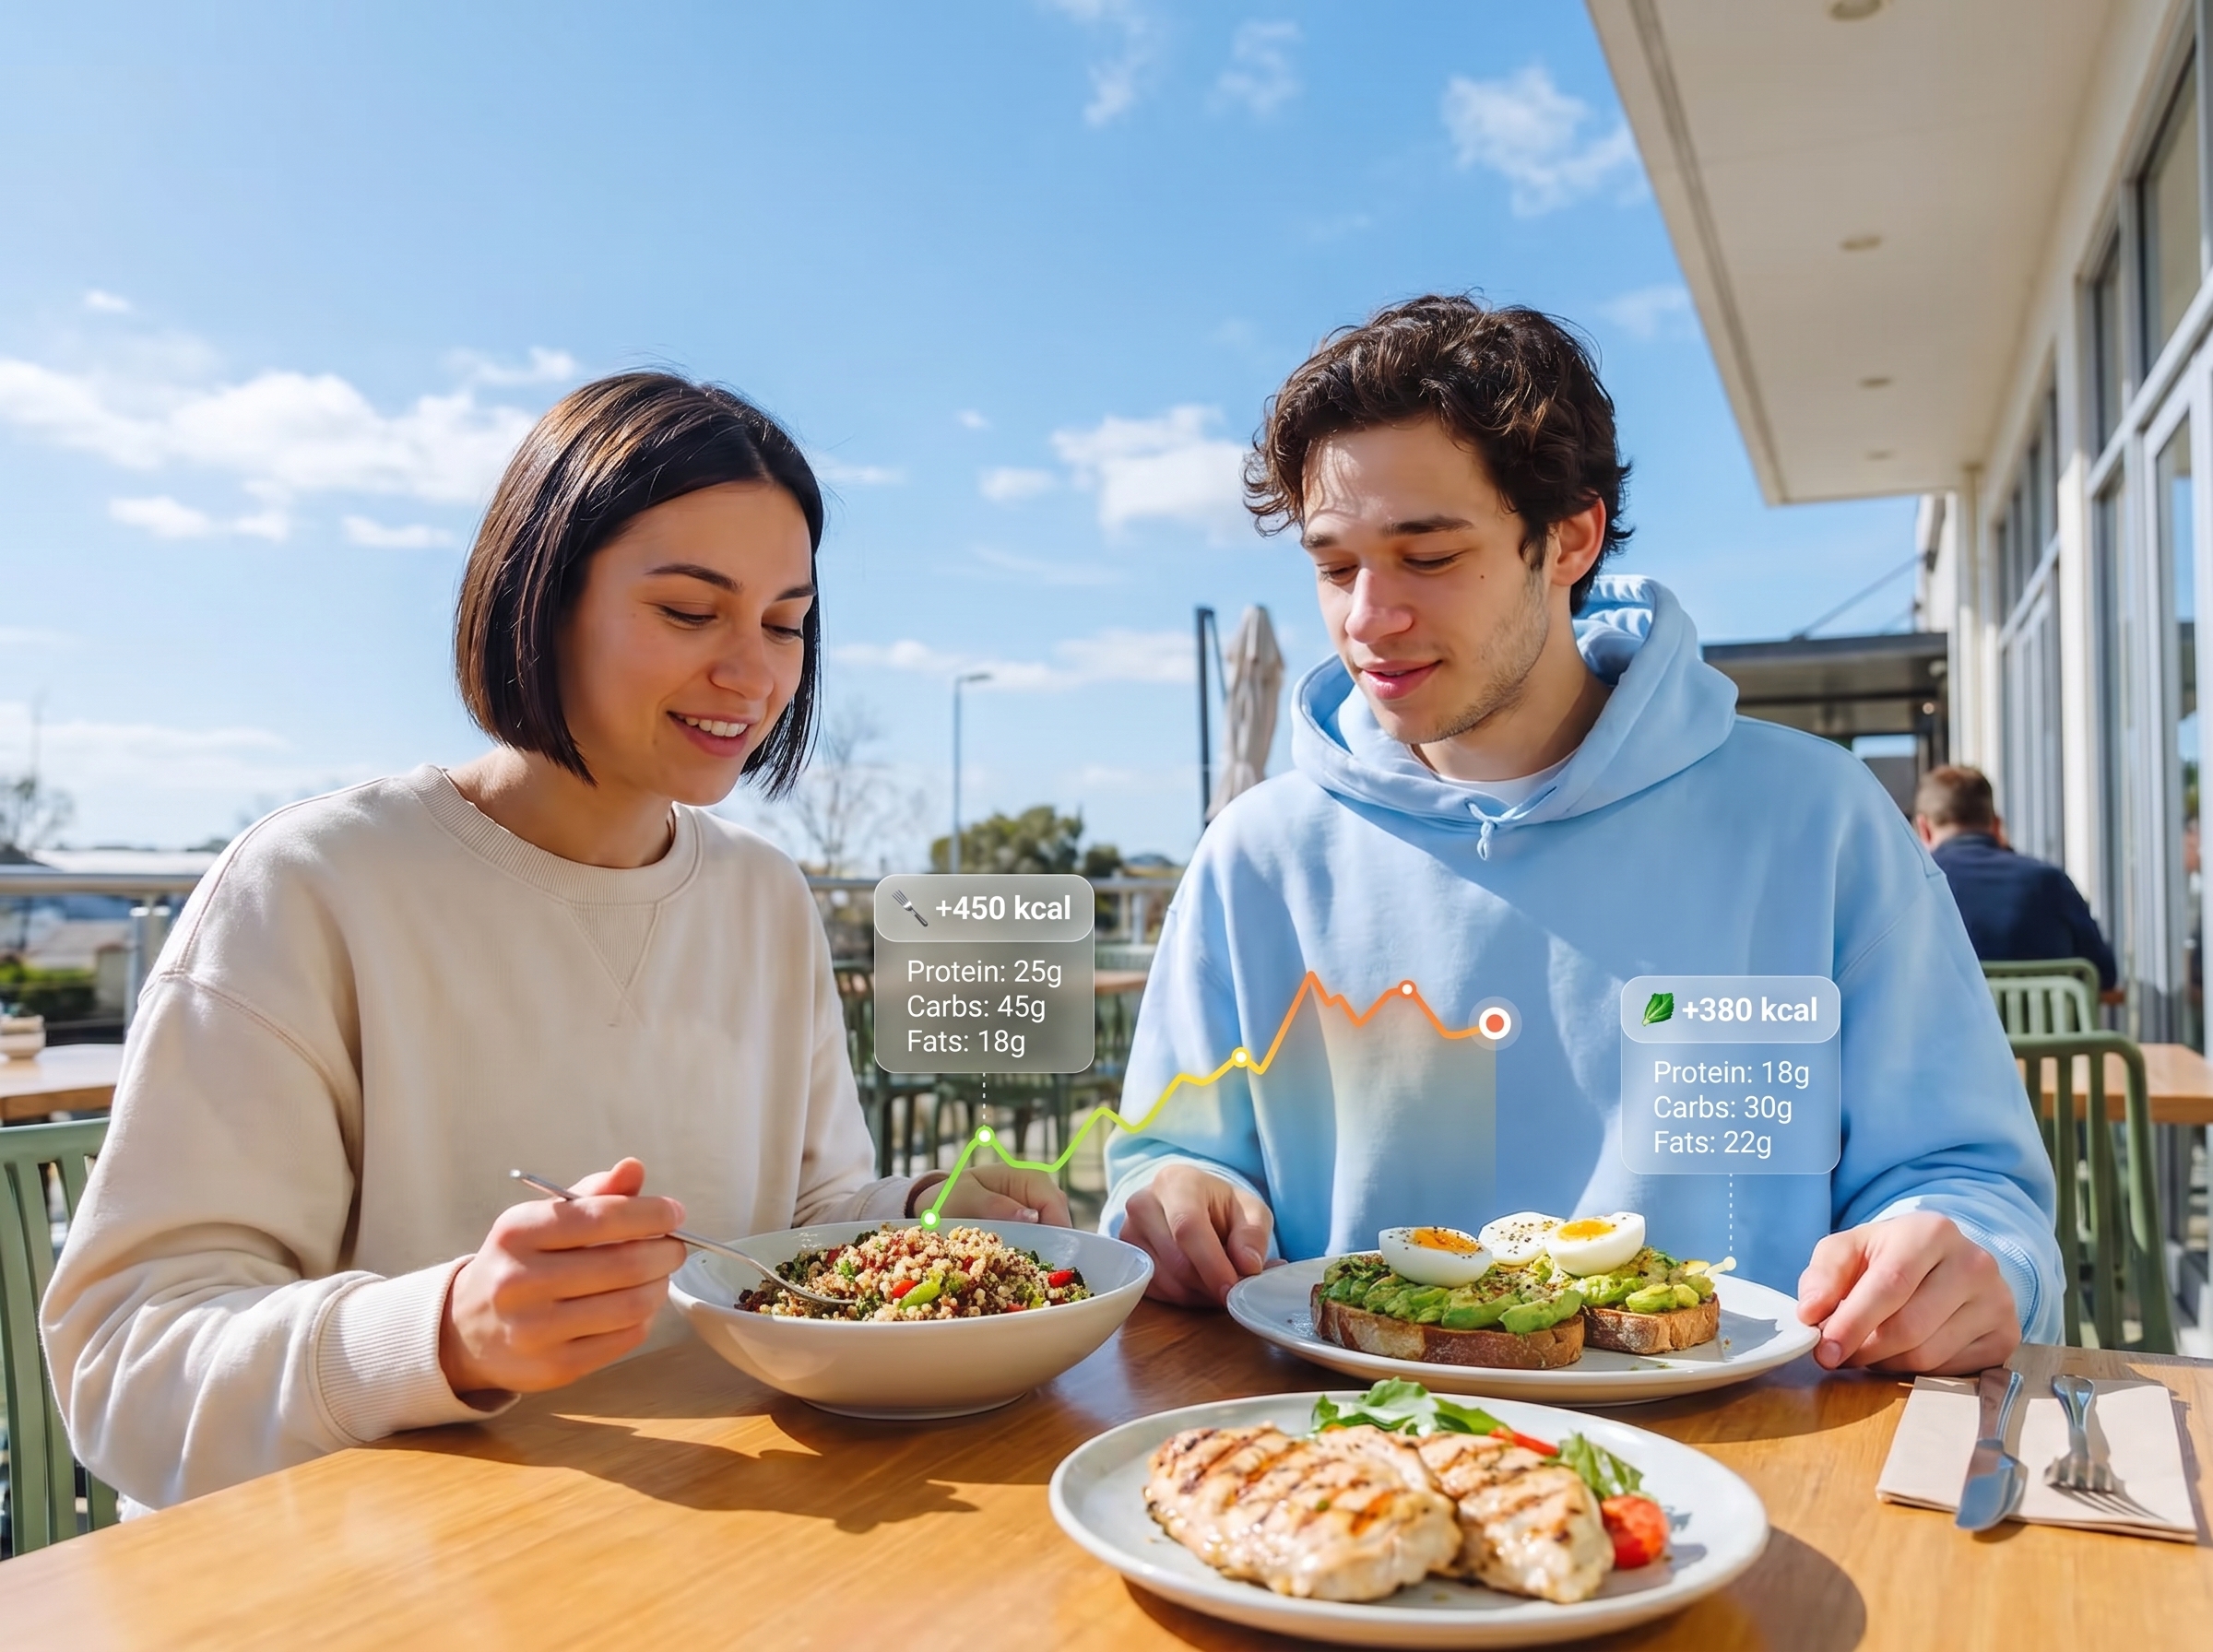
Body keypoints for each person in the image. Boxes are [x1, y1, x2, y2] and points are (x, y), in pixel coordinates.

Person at [42, 372, 1066, 1511]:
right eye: (689, 611)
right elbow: (123, 1365)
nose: (753, 671)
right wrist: (448, 1332)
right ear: (540, 594)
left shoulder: (765, 899)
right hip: (370, 1576)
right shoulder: (314, 884)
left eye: (786, 623)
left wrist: (929, 1211)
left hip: (713, 1543)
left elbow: (796, 1232)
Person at [1105, 296, 2061, 1376]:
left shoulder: (1818, 818)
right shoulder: (1254, 858)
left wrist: (1973, 1260)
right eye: (1336, 566)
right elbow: (1165, 1165)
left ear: (1569, 537)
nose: (1369, 617)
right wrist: (1170, 1195)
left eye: (1427, 555)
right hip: (1351, 1468)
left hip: (1763, 1463)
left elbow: (1971, 1187)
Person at [1913, 764, 2117, 990]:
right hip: (2048, 1026)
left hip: (1952, 1026)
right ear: (1997, 825)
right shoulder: (2049, 881)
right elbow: (2104, 973)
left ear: (1924, 828)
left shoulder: (1916, 888)